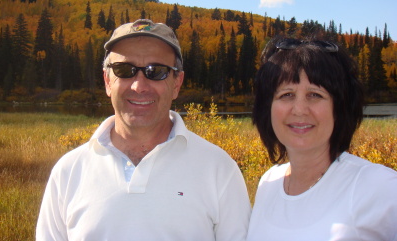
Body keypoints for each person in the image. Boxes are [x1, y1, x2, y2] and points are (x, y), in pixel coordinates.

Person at [36, 19, 251, 240]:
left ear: (177, 83)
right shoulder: (68, 172)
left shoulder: (219, 169)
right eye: (124, 70)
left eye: (156, 71)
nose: (139, 86)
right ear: (107, 82)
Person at [246, 37, 397, 241]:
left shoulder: (376, 186)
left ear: (339, 108)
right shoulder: (269, 182)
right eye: (286, 95)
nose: (299, 110)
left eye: (315, 95)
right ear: (268, 109)